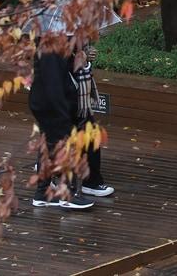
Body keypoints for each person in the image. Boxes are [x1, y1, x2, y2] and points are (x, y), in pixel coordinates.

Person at [29, 39, 93, 209]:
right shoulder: (51, 50)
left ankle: (43, 193)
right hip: (52, 105)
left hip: (46, 103)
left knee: (48, 145)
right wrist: (62, 112)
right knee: (63, 143)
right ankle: (67, 195)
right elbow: (53, 85)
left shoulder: (55, 46)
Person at [72, 46, 114, 197]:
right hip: (64, 95)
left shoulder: (77, 37)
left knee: (91, 136)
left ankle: (91, 181)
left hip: (80, 97)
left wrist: (86, 59)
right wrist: (82, 57)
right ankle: (49, 177)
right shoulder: (56, 39)